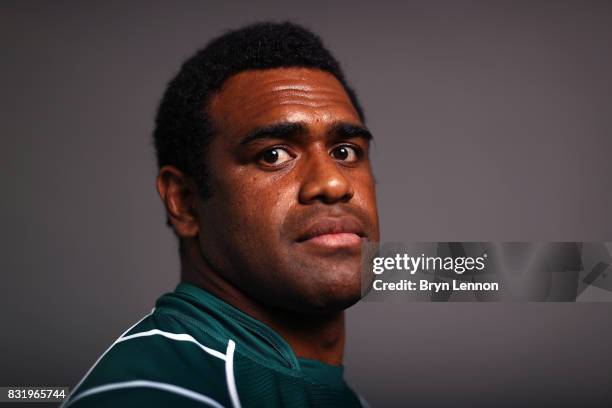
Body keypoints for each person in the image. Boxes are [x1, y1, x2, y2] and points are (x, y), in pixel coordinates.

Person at [64, 21, 379, 408]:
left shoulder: (340, 398)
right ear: (184, 201)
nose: (333, 183)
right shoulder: (149, 395)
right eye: (273, 154)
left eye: (345, 151)